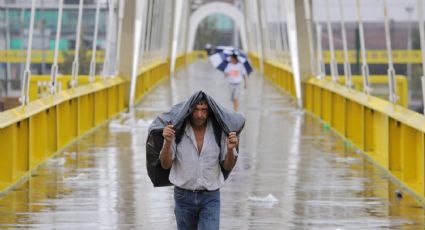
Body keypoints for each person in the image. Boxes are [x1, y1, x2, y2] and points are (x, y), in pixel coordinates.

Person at [159, 99, 239, 230]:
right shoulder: (176, 131)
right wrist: (167, 142)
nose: (200, 115)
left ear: (210, 112)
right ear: (189, 111)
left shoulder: (220, 131)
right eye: (196, 109)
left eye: (204, 110)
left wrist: (230, 150)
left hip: (210, 197)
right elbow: (165, 165)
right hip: (183, 196)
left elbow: (227, 166)